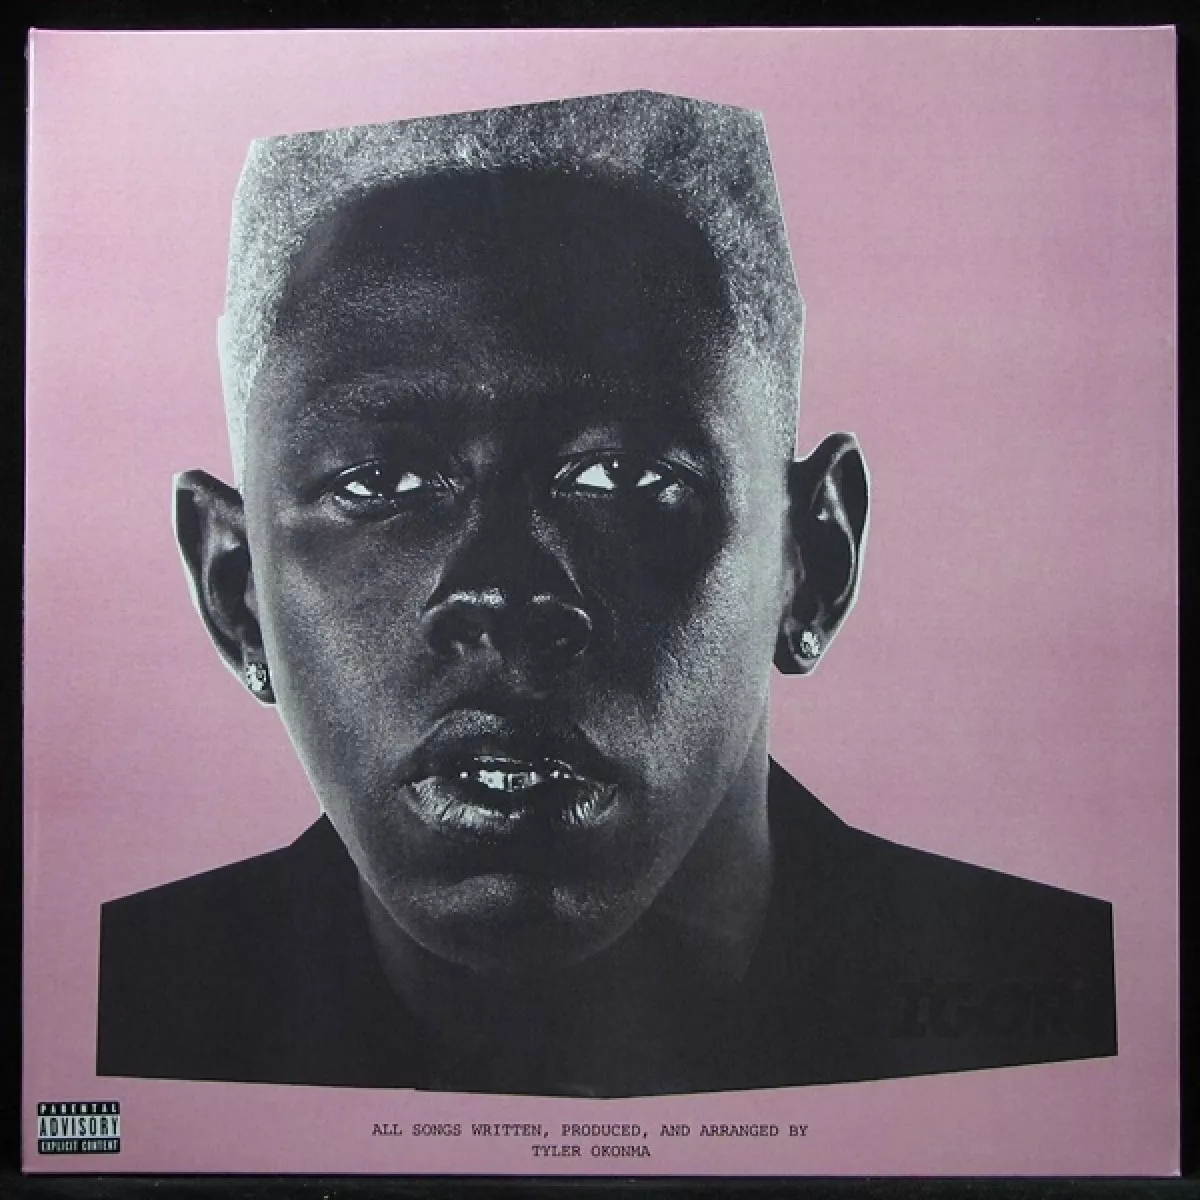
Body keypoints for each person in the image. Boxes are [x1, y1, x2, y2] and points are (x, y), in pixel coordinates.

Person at [97, 91, 1116, 1097]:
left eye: (620, 477)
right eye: (380, 484)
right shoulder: (112, 1015)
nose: (499, 594)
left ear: (812, 560)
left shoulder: (1065, 1014)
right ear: (235, 589)